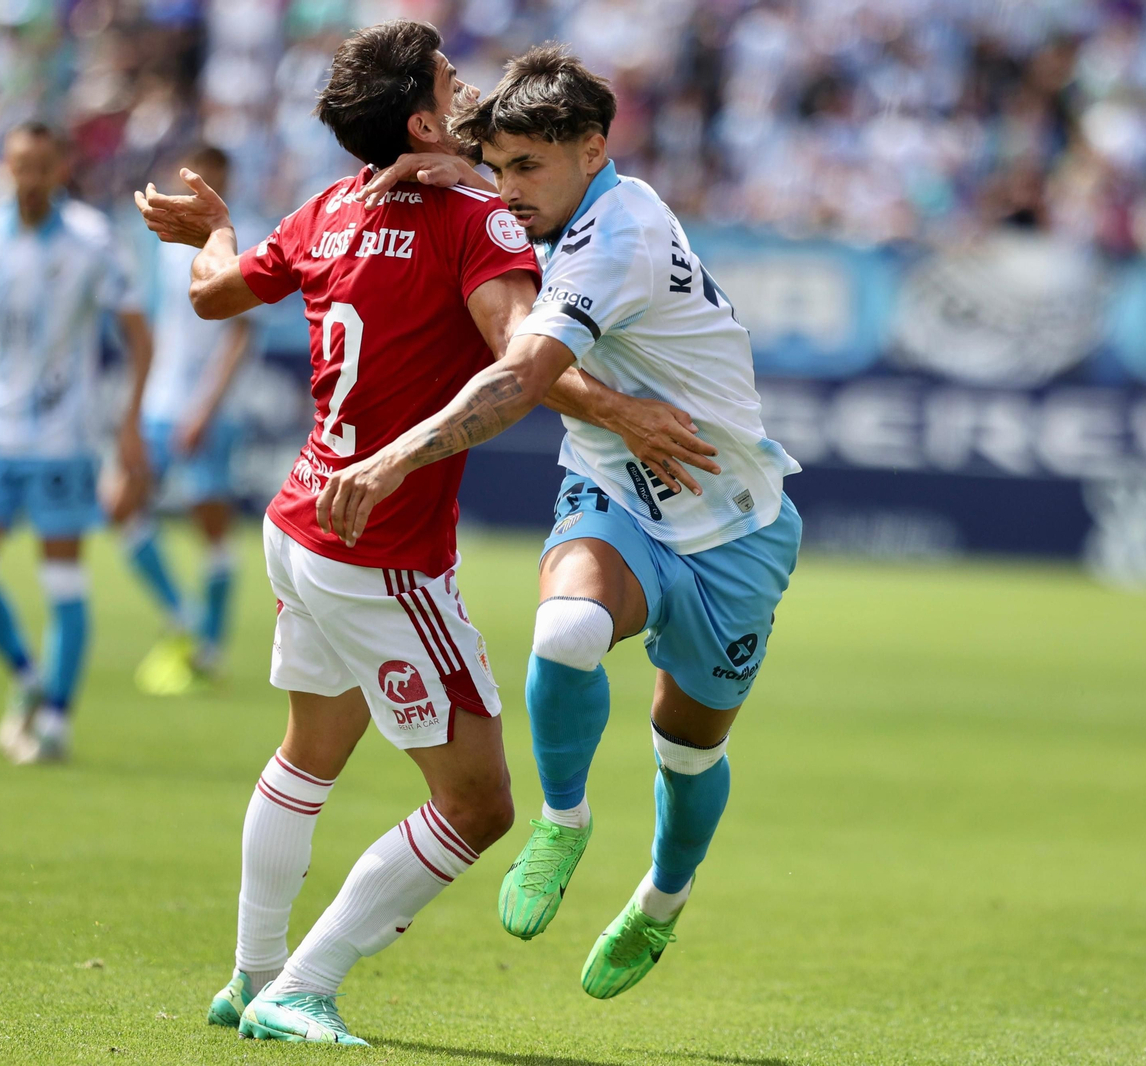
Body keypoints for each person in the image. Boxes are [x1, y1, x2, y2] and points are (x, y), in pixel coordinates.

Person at [135, 20, 708, 1044]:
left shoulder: (327, 208)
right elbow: (522, 364)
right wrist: (625, 412)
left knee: (307, 756)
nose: (468, 85)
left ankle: (250, 975)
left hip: (301, 520)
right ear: (421, 117)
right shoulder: (472, 220)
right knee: (481, 805)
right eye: (452, 79)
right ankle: (301, 986)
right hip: (380, 549)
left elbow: (212, 292)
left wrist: (213, 230)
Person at [321, 45, 803, 1000]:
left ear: (592, 149)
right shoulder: (554, 202)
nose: (507, 192)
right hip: (618, 496)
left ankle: (661, 902)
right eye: (498, 168)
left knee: (688, 746)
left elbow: (521, 376)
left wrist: (388, 460)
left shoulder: (616, 235)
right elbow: (527, 330)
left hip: (733, 525)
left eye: (525, 168)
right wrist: (437, 166)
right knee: (568, 627)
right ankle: (564, 818)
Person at [0, 121, 153, 766]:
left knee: (64, 581)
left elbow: (137, 330)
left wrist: (129, 421)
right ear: (6, 165)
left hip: (60, 438)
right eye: (19, 165)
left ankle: (54, 721)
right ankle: (26, 676)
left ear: (59, 170)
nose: (28, 178)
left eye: (40, 167)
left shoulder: (91, 240)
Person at [109, 143, 257, 695]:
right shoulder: (168, 244)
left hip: (204, 412)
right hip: (158, 404)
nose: (200, 191)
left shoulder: (242, 239)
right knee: (118, 503)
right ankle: (184, 618)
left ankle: (210, 648)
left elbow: (241, 335)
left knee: (210, 525)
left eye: (211, 181)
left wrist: (205, 408)